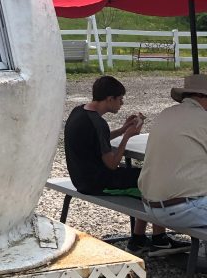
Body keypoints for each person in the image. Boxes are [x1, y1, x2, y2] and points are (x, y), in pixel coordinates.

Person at [64, 74, 182, 254]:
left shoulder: (79, 112)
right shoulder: (98, 123)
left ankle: (139, 239)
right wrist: (127, 137)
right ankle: (158, 239)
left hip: (81, 176)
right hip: (97, 183)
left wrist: (121, 130)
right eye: (120, 99)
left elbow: (98, 140)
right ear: (109, 98)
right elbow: (112, 164)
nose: (122, 103)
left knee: (144, 176)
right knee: (151, 182)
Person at [138, 75, 207, 232]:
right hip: (182, 209)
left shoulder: (165, 114)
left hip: (149, 206)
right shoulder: (203, 118)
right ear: (202, 96)